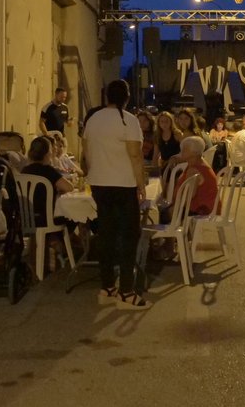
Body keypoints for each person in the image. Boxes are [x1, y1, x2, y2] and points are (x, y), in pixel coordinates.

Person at [82, 79, 149, 310]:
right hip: (123, 184)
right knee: (129, 236)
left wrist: (94, 174)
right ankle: (127, 291)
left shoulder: (93, 119)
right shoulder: (128, 120)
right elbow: (135, 156)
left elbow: (86, 152)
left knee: (106, 235)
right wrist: (141, 185)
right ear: (127, 97)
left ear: (107, 96)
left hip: (99, 183)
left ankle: (107, 287)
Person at [21, 135, 75, 224]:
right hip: (47, 218)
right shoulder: (48, 171)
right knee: (74, 216)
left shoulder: (24, 170)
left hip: (27, 218)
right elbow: (69, 187)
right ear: (47, 154)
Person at [169, 136, 219, 216]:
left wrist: (173, 209)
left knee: (162, 214)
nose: (181, 151)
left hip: (200, 210)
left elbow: (188, 196)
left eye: (184, 149)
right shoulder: (197, 162)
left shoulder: (194, 170)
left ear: (194, 153)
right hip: (198, 208)